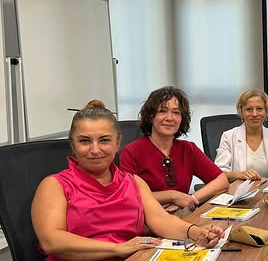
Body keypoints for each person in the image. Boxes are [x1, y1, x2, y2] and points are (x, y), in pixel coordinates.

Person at [31, 100, 224, 261]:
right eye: (85, 141)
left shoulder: (133, 182)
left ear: (117, 143)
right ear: (72, 145)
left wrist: (196, 232)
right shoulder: (54, 185)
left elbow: (161, 220)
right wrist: (119, 248)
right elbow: (51, 242)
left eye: (104, 140)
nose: (95, 149)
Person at [119, 86, 229, 214]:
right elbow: (129, 195)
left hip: (182, 214)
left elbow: (221, 181)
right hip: (146, 219)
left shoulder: (188, 149)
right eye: (162, 111)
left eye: (176, 112)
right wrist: (172, 196)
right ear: (151, 116)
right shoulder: (132, 152)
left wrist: (191, 199)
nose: (169, 118)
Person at [214, 89, 268, 181]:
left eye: (259, 109)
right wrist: (238, 175)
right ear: (241, 112)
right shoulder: (229, 137)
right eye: (249, 109)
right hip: (239, 189)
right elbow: (219, 173)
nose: (254, 114)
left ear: (266, 111)